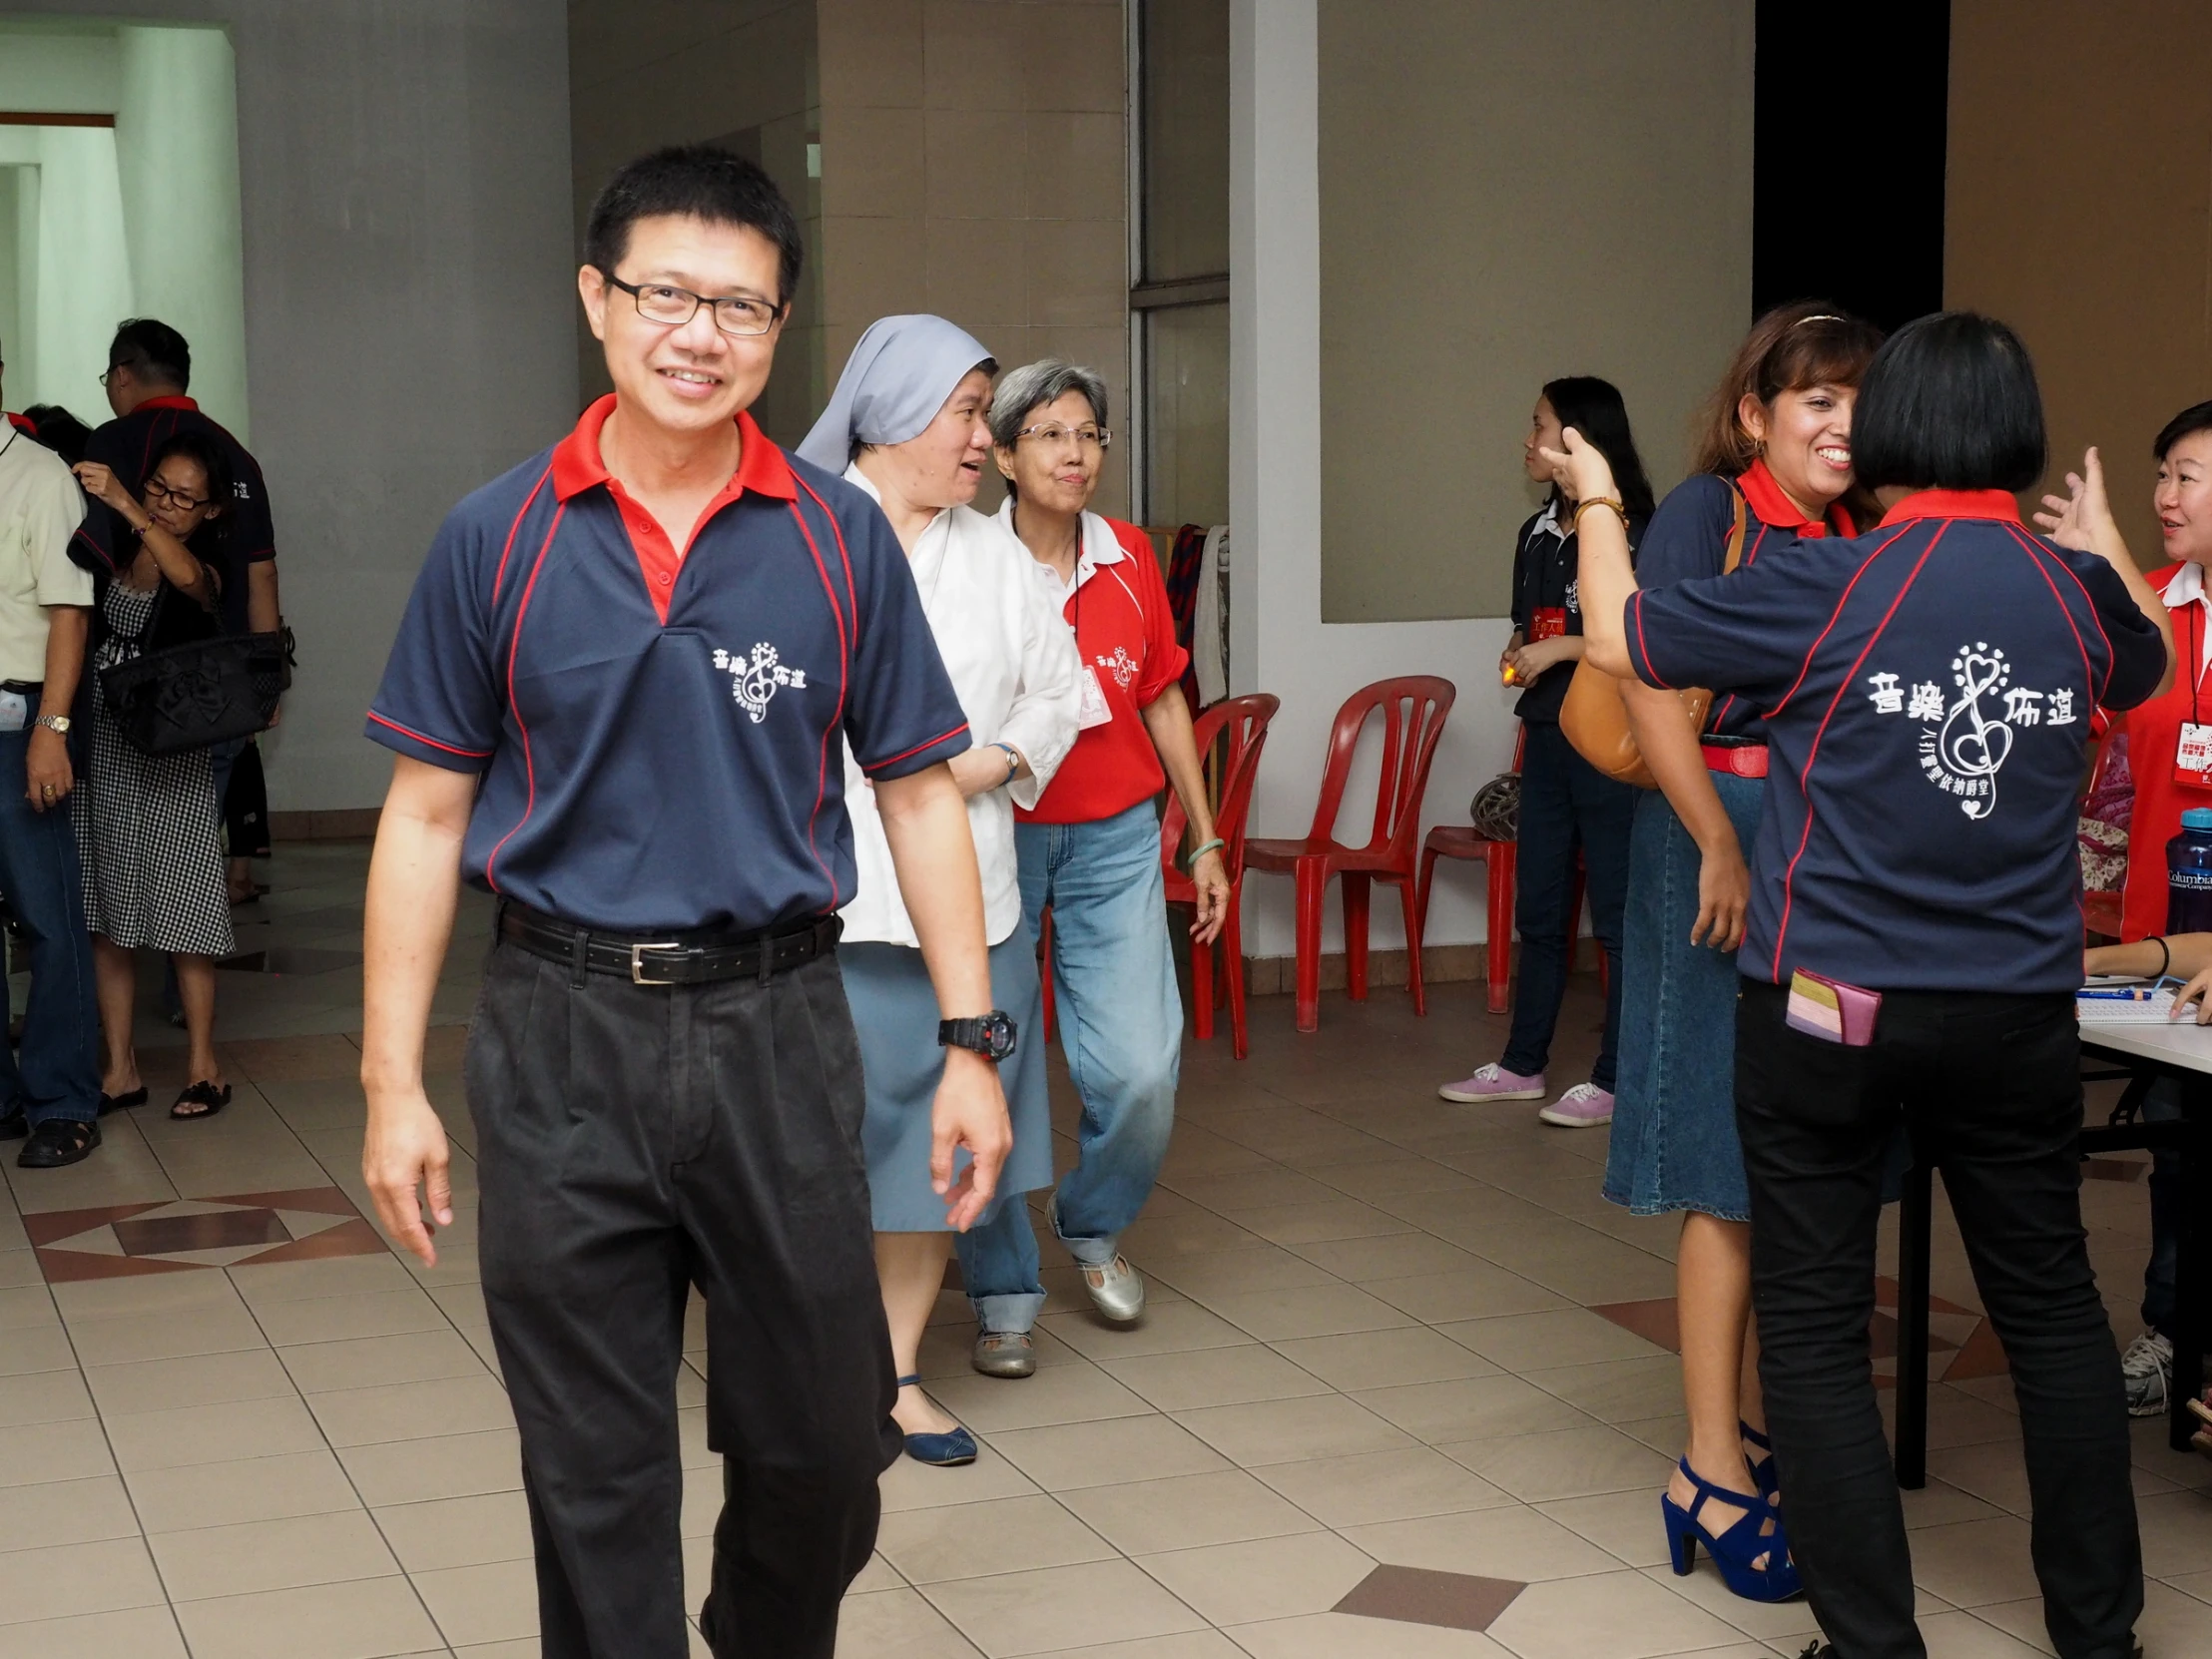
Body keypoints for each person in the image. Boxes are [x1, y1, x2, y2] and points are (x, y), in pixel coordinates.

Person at [358, 147, 1011, 1659]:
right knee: (591, 1473)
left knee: (822, 1454)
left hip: (781, 1026)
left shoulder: (838, 540)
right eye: (666, 294)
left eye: (741, 307)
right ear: (598, 300)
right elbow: (426, 809)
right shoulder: (497, 536)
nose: (699, 334)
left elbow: (919, 791)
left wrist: (972, 1036)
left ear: (780, 334)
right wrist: (392, 1080)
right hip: (557, 1036)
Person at [1570, 309, 2168, 1659]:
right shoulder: (2069, 594)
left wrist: (1602, 491)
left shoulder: (1833, 577)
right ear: (2016, 434)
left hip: (1829, 1013)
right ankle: (2100, 1635)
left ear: (1893, 426)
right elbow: (2152, 664)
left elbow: (1618, 637)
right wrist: (2104, 542)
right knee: (2057, 1315)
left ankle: (1871, 1644)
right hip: (2019, 1013)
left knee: (1822, 1328)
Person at [1597, 301, 1884, 1602]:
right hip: (1721, 833)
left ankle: (1760, 1429)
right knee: (1725, 1155)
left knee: (1805, 1150)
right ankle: (1710, 1465)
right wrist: (1715, 837)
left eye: (1858, 399)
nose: (1841, 422)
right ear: (1757, 412)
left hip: (1829, 853)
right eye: (1815, 399)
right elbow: (1653, 684)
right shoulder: (1707, 516)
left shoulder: (1864, 531)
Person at [795, 316, 1081, 1454]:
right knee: (812, 1150)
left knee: (932, 1158)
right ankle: (808, 1365)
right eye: (967, 412)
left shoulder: (995, 555)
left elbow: (1055, 692)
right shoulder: (795, 537)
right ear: (891, 412)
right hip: (813, 906)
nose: (984, 437)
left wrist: (996, 761)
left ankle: (893, 1374)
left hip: (965, 902)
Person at [951, 359, 1230, 1370]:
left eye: (1090, 436)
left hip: (1115, 835)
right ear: (1008, 456)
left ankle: (1091, 1222)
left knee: (1142, 1067)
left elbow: (1162, 696)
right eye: (1052, 435)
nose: (1076, 454)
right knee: (992, 1060)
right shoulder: (964, 560)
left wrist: (1198, 835)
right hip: (995, 835)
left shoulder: (1127, 559)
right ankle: (1000, 1287)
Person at [1438, 376, 1652, 1126]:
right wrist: (1521, 648)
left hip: (1612, 741)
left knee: (1620, 914)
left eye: (1539, 424)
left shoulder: (1629, 525)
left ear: (1579, 437)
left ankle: (1618, 1078)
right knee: (1542, 905)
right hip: (1548, 735)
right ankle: (1523, 1064)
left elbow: (1635, 636)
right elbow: (1527, 624)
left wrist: (1561, 647)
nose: (1526, 439)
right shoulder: (1535, 531)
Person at [2066, 400, 2212, 1416]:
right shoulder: (2144, 602)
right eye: (2159, 472)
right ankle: (2171, 1330)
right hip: (2154, 935)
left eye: (2187, 476)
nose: (2163, 495)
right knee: (2175, 1139)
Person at [70, 434, 240, 1125]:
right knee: (109, 911)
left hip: (172, 744)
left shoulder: (206, 558)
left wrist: (134, 511)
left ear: (210, 512)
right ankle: (121, 1069)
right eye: (158, 490)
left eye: (183, 498)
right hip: (107, 738)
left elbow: (192, 585)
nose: (167, 506)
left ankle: (204, 1066)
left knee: (186, 905)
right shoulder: (112, 540)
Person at [0, 352, 103, 1169]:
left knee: (47, 916)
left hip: (20, 722)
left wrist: (53, 728)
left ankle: (64, 1100)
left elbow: (69, 614)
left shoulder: (37, 475)